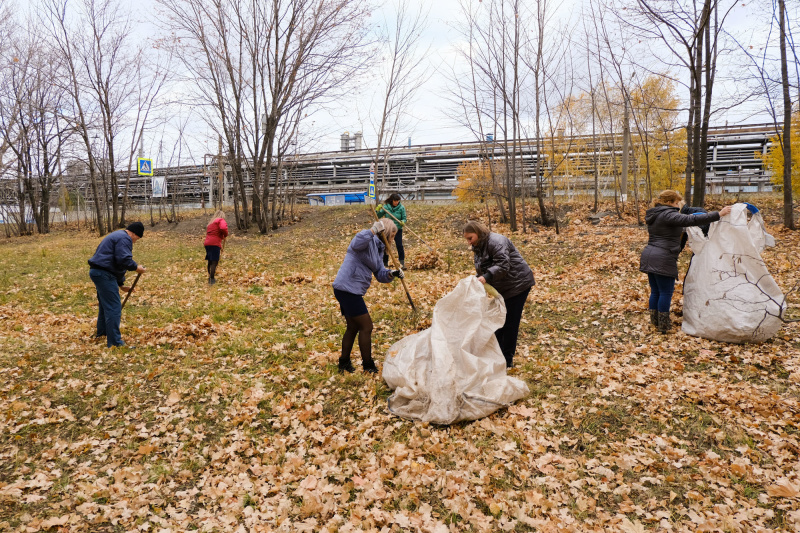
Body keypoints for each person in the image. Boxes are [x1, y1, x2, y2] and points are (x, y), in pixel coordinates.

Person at [640, 190, 732, 333]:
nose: (678, 206)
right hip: (663, 257)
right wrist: (718, 214)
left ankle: (656, 323)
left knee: (656, 291)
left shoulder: (656, 214)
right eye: (676, 203)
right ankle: (664, 327)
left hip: (650, 255)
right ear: (670, 202)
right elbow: (691, 220)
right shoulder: (668, 214)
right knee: (665, 292)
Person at [332, 218, 404, 373]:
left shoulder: (378, 248)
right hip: (347, 287)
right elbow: (356, 243)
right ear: (384, 231)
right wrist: (372, 230)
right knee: (366, 326)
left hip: (351, 289)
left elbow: (379, 272)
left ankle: (343, 364)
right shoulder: (367, 239)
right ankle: (368, 366)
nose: (392, 239)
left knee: (352, 327)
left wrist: (392, 273)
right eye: (391, 235)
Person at [463, 220, 535, 368]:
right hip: (504, 287)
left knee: (509, 323)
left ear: (477, 233)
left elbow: (503, 264)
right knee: (498, 321)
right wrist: (478, 278)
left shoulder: (496, 241)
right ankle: (497, 356)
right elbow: (484, 266)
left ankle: (507, 360)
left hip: (518, 285)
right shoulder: (479, 245)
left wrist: (487, 277)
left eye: (470, 238)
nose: (469, 242)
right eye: (467, 239)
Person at [88, 222, 147, 348]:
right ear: (134, 233)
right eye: (137, 238)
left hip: (99, 272)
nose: (136, 241)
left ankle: (103, 333)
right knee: (114, 307)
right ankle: (115, 342)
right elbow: (124, 260)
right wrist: (137, 268)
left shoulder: (118, 235)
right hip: (104, 274)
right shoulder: (124, 238)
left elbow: (115, 263)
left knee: (105, 305)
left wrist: (120, 284)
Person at [376, 193, 407, 269]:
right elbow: (378, 216)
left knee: (399, 245)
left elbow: (404, 218)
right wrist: (378, 210)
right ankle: (385, 263)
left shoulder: (401, 208)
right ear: (391, 200)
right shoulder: (386, 207)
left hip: (398, 229)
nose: (396, 202)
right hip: (388, 229)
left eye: (398, 201)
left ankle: (402, 264)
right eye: (395, 201)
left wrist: (403, 221)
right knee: (386, 246)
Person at [204, 210, 228, 285]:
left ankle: (210, 276)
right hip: (215, 243)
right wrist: (225, 234)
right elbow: (223, 228)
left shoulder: (211, 222)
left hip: (207, 243)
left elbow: (214, 232)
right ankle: (212, 279)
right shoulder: (220, 220)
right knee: (214, 261)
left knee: (210, 260)